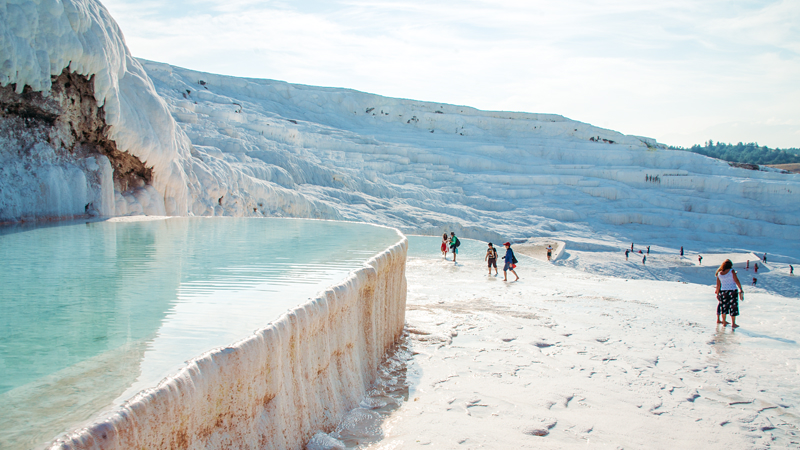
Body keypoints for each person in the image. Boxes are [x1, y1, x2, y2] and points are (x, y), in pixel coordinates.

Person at [715, 259, 743, 328]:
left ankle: (724, 322)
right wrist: (740, 288)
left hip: (723, 291)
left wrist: (717, 294)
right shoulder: (731, 271)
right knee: (733, 306)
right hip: (732, 290)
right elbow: (736, 280)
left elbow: (718, 285)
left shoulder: (719, 273)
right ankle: (733, 323)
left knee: (724, 307)